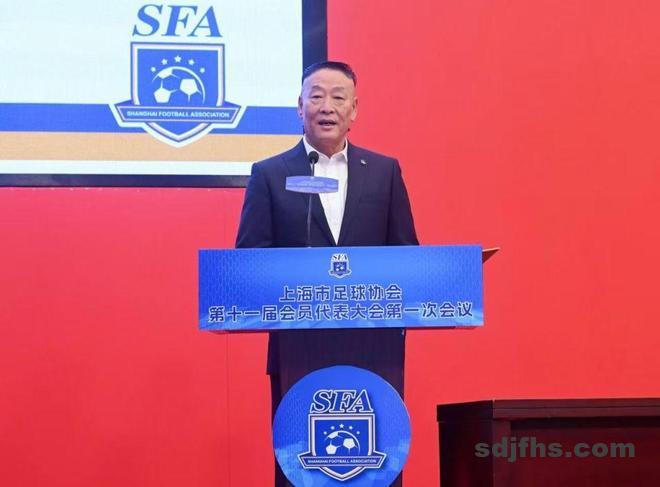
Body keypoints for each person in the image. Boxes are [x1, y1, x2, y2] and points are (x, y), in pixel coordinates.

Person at [235, 61, 418, 487]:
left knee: (375, 462)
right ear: (299, 107)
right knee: (302, 467)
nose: (326, 106)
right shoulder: (270, 174)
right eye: (315, 96)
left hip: (374, 348)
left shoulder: (384, 172)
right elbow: (249, 258)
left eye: (338, 97)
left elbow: (407, 255)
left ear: (354, 110)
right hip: (298, 347)